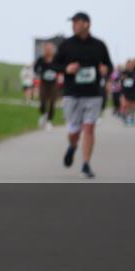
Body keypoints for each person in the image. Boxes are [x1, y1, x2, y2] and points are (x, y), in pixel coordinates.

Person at [52, 12, 112, 180]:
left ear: (86, 24)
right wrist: (66, 69)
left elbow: (109, 66)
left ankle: (86, 164)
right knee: (74, 130)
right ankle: (72, 146)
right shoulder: (66, 45)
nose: (73, 25)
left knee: (89, 128)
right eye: (72, 22)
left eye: (76, 22)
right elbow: (55, 65)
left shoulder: (99, 45)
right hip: (72, 94)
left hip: (93, 94)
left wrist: (105, 70)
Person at [33, 42, 60, 131]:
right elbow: (36, 68)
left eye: (50, 49)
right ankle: (43, 114)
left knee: (52, 101)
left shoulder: (56, 59)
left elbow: (60, 67)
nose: (48, 50)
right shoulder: (41, 59)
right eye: (47, 49)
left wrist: (59, 74)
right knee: (42, 101)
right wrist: (39, 73)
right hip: (44, 82)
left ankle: (49, 121)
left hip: (53, 83)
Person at [119, 58, 135, 126]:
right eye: (128, 65)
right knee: (126, 105)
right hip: (126, 91)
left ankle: (131, 118)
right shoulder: (124, 72)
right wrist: (123, 77)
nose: (129, 66)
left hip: (134, 90)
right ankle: (126, 117)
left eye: (131, 65)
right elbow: (120, 78)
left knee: (134, 106)